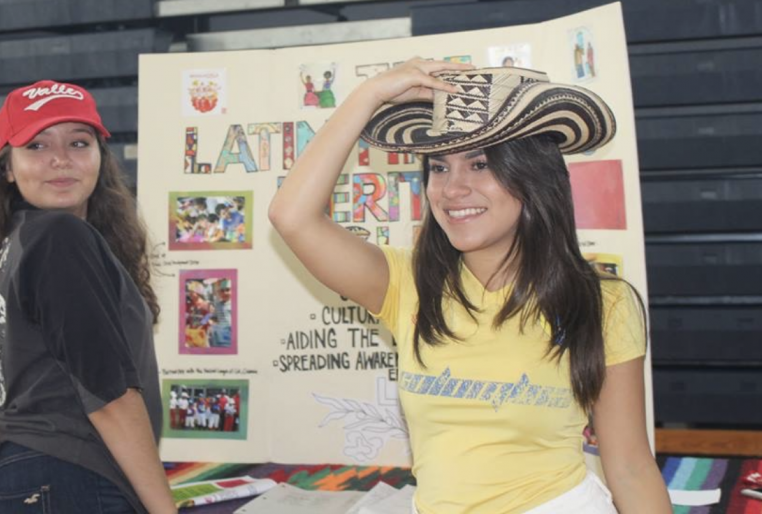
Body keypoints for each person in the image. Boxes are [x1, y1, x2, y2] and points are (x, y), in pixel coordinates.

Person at [269, 59, 672, 514]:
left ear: (534, 177)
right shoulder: (407, 284)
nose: (452, 189)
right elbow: (292, 216)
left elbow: (632, 467)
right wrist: (368, 95)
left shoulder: (603, 303)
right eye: (439, 168)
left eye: (479, 164)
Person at [0, 80, 176, 513]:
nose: (60, 159)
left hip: (38, 478)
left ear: (99, 158)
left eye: (78, 142)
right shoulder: (57, 237)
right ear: (8, 169)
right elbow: (108, 396)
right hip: (70, 481)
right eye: (36, 145)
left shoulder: (22, 241)